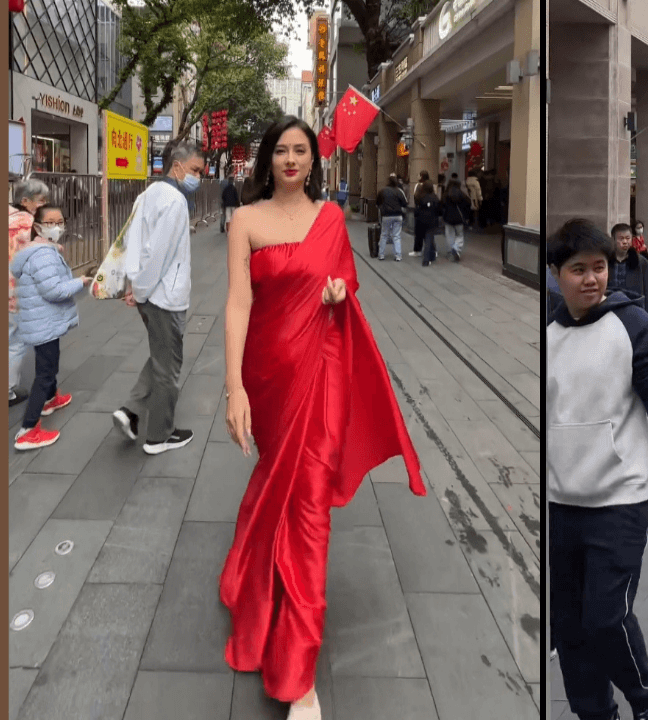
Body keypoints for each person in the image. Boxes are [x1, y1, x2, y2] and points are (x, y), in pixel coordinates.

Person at [219, 116, 425, 720]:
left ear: (314, 161)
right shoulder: (245, 220)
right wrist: (233, 387)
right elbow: (238, 302)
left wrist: (336, 295)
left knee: (308, 504)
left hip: (322, 370)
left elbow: (343, 286)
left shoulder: (331, 219)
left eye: (300, 151)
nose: (289, 159)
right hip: (268, 374)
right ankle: (246, 573)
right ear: (267, 159)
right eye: (280, 150)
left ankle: (297, 672)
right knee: (275, 486)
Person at [547, 218, 648, 720]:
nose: (591, 279)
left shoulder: (632, 324)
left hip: (620, 501)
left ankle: (645, 698)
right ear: (556, 273)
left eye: (600, 268)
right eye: (578, 270)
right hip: (559, 504)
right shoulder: (546, 328)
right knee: (569, 627)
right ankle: (595, 712)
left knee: (606, 618)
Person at [114, 141, 204, 455]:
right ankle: (159, 436)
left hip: (148, 293)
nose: (197, 177)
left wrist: (133, 284)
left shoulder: (148, 194)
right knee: (169, 366)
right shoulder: (175, 200)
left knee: (161, 355)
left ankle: (131, 409)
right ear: (177, 166)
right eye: (194, 170)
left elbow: (133, 242)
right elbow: (158, 255)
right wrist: (140, 288)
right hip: (163, 296)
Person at [11, 205, 90, 450]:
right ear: (37, 227)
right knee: (45, 372)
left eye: (60, 221)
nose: (57, 226)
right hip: (44, 322)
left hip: (43, 321)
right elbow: (54, 291)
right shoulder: (43, 255)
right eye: (50, 222)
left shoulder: (40, 250)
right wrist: (81, 281)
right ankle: (28, 430)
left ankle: (51, 399)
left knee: (50, 362)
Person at [9, 179, 51, 407]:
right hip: (15, 291)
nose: (43, 205)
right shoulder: (30, 223)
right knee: (14, 340)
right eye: (40, 200)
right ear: (25, 201)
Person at [609, 223, 648, 311]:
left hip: (633, 308)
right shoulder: (606, 261)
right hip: (610, 307)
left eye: (628, 238)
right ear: (613, 239)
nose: (625, 242)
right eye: (621, 238)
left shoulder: (641, 262)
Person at [376, 176, 407, 261]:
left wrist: (382, 208)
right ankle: (398, 255)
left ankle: (381, 255)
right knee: (396, 236)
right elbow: (405, 203)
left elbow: (377, 203)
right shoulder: (399, 191)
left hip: (386, 215)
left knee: (384, 235)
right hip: (398, 215)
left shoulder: (382, 191)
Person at [442, 178, 470, 262]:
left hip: (448, 218)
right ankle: (456, 248)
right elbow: (468, 204)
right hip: (459, 218)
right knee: (460, 235)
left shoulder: (446, 194)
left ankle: (451, 252)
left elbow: (442, 206)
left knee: (449, 235)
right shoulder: (462, 194)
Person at [414, 181, 441, 267]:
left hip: (421, 221)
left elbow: (417, 209)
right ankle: (426, 259)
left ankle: (432, 256)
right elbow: (439, 210)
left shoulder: (420, 197)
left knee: (428, 238)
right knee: (429, 238)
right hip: (432, 221)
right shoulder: (435, 197)